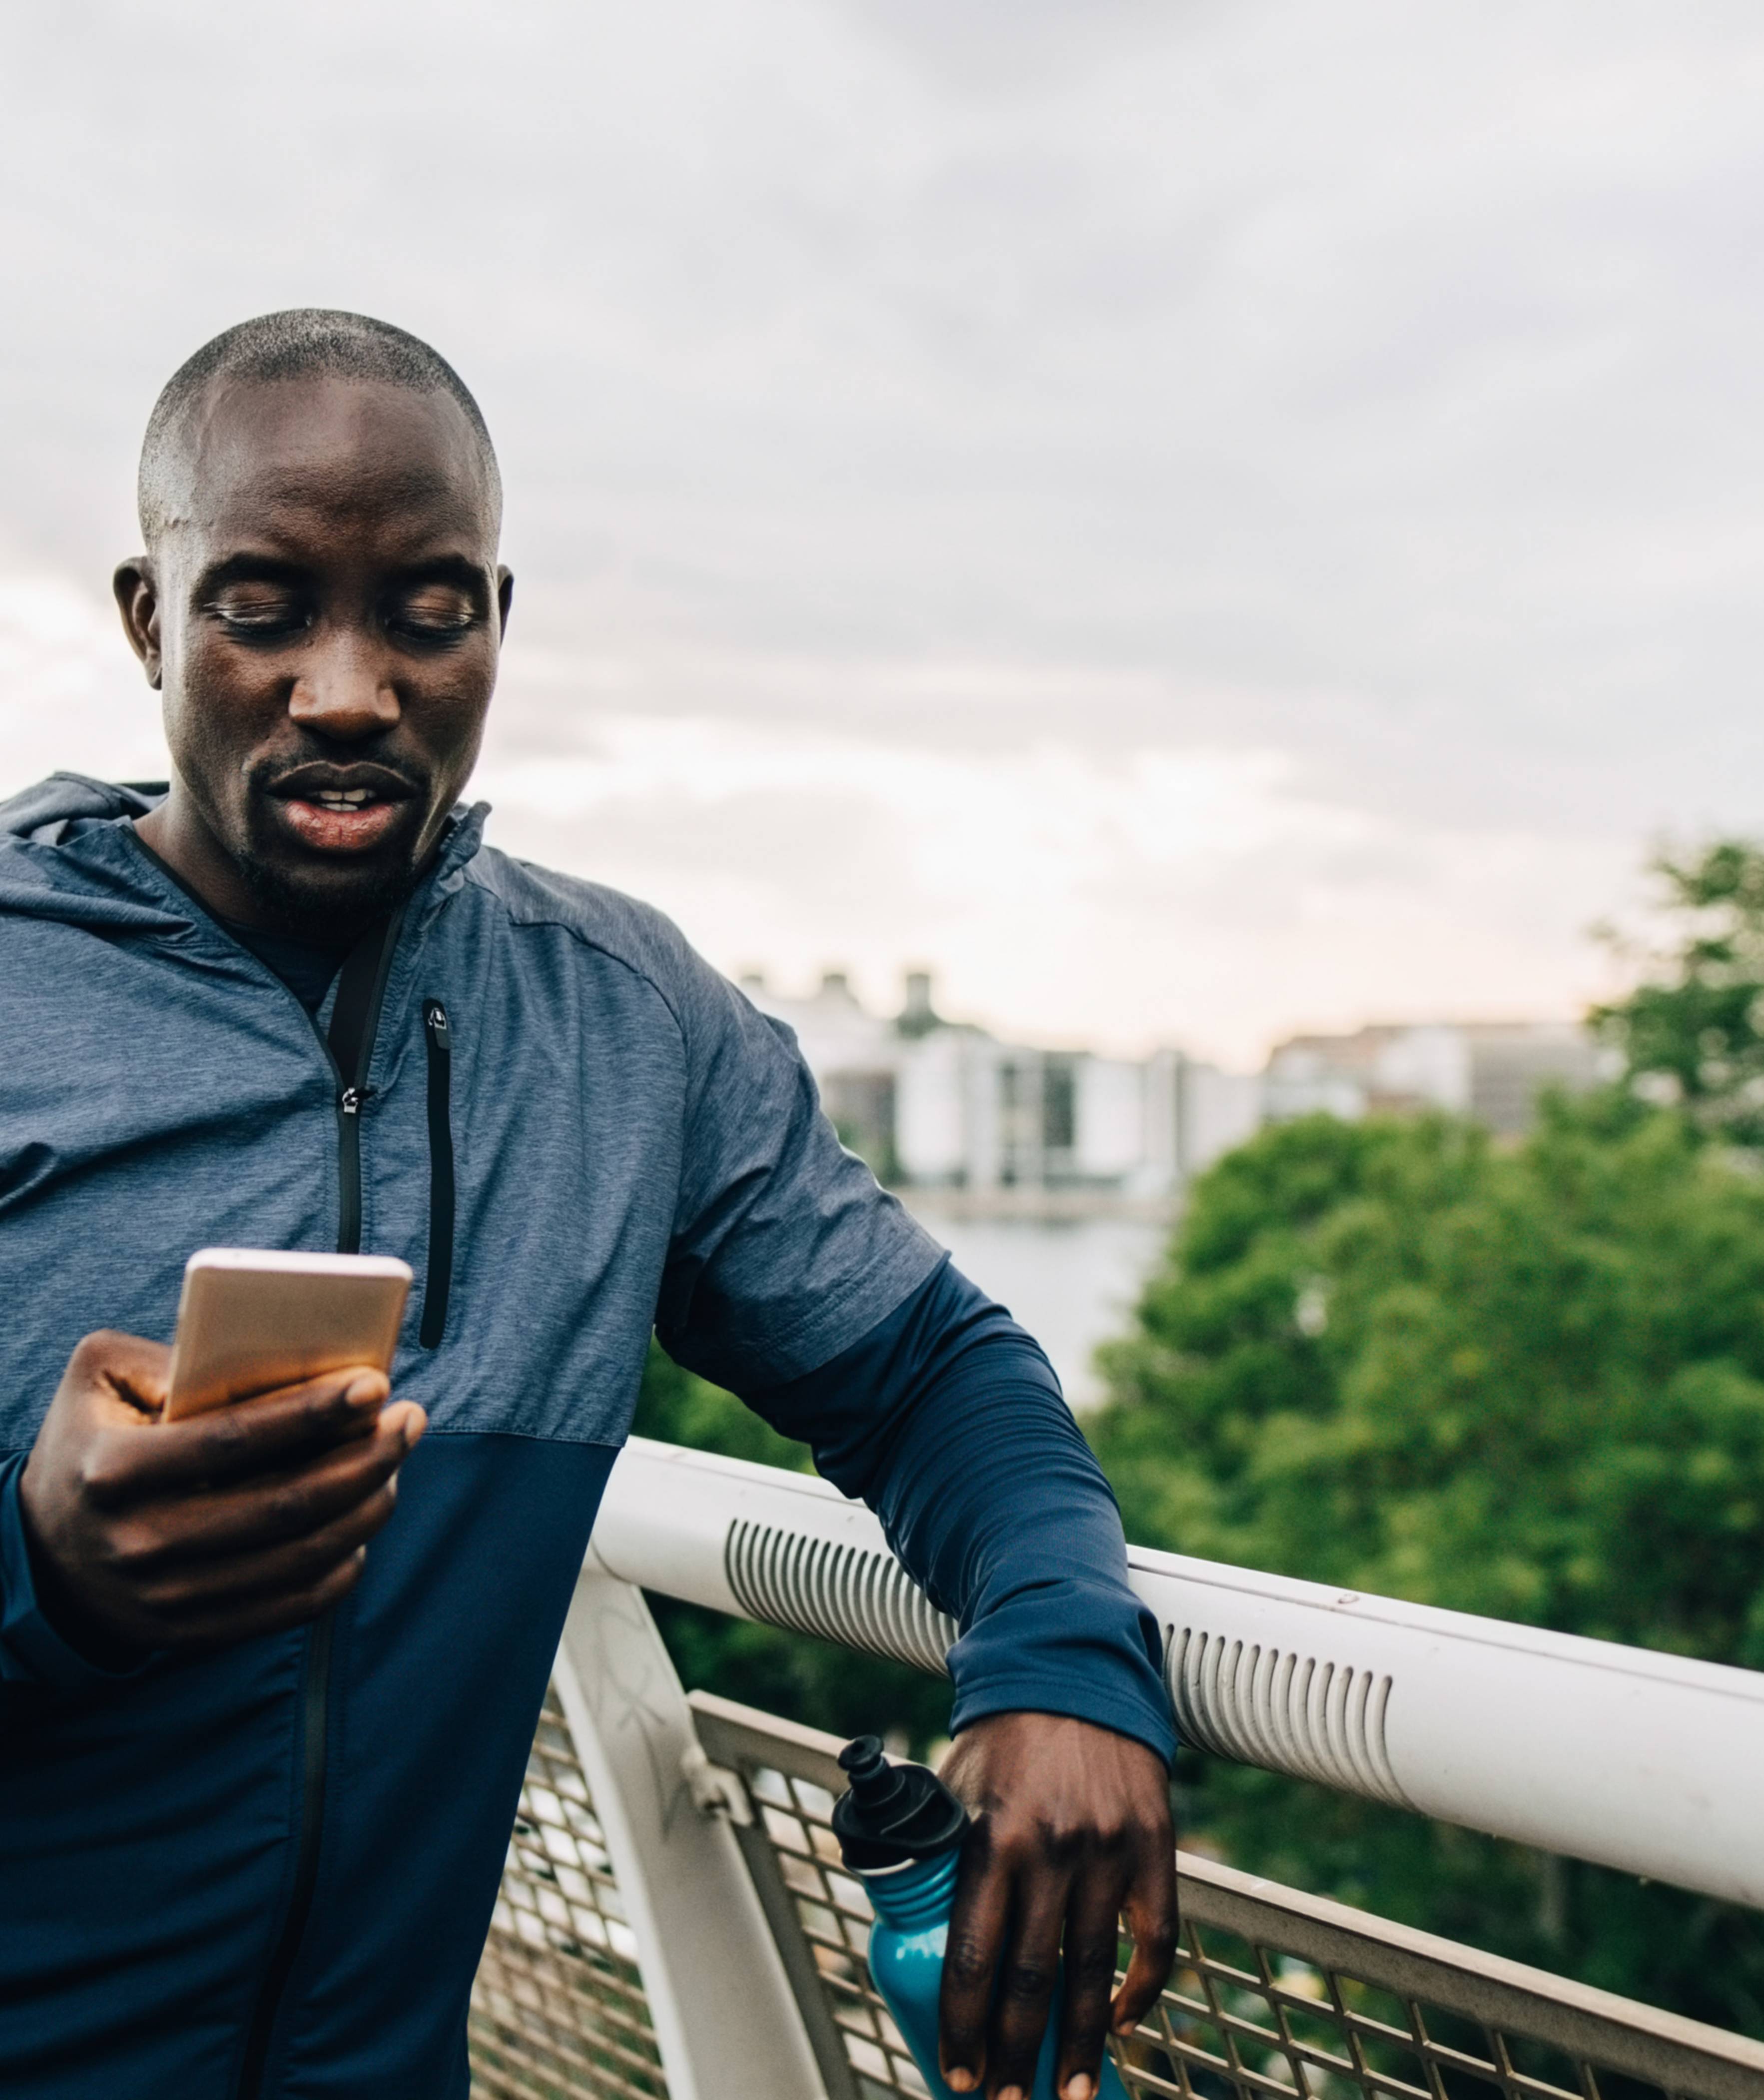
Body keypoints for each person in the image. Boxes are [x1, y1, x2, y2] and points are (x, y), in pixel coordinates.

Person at [0, 311, 1176, 2100]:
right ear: (151, 619)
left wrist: (1065, 1661)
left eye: (425, 611)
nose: (348, 689)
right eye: (264, 607)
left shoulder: (623, 1021)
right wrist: (46, 1574)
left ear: (497, 623)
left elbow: (930, 1369)